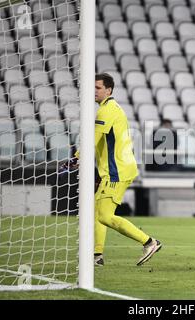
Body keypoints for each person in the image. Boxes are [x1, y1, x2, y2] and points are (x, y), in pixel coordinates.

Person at [61, 73, 162, 266]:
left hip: (117, 172)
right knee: (95, 210)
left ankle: (149, 242)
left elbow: (93, 140)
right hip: (113, 169)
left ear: (109, 90)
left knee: (105, 216)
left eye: (98, 88)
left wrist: (75, 159)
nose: (94, 91)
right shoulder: (110, 108)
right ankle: (96, 256)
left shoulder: (106, 111)